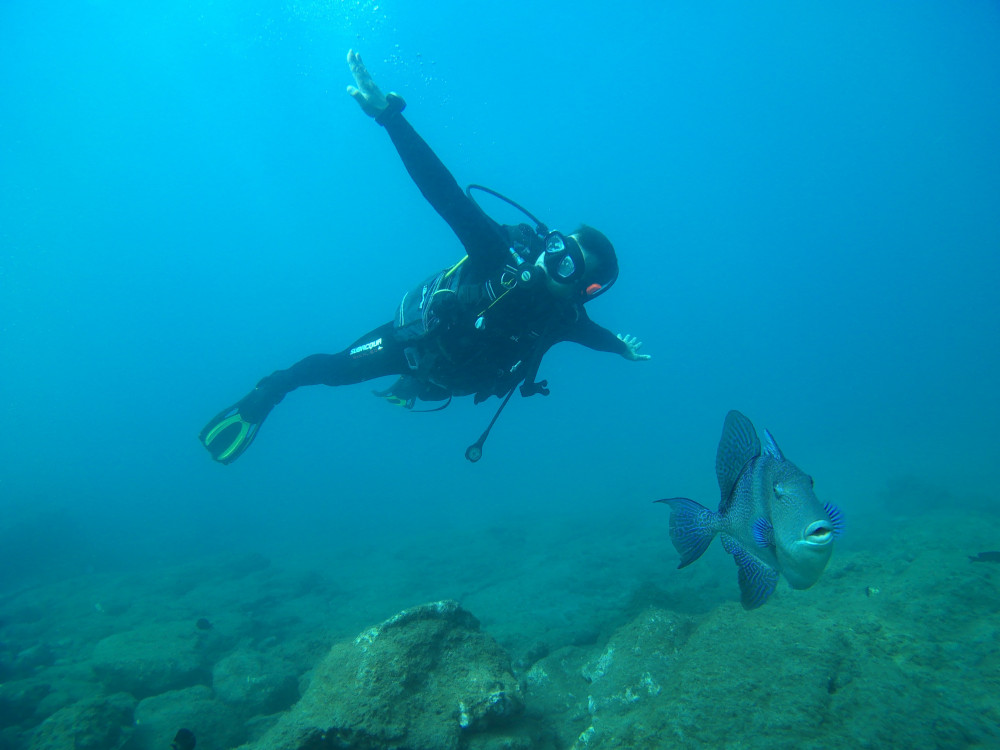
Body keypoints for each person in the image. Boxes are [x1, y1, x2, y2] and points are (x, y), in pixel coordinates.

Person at [199, 50, 650, 464]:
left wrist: (621, 349)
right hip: (411, 344)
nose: (552, 260)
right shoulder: (499, 255)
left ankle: (411, 387)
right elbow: (444, 192)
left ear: (583, 289)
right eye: (557, 246)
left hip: (454, 376)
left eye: (567, 265)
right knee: (336, 370)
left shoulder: (564, 318)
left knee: (428, 386)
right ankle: (270, 390)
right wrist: (389, 118)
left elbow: (594, 335)